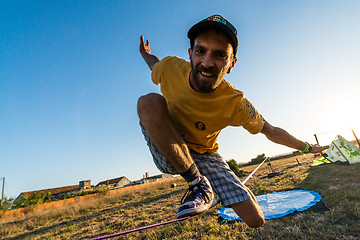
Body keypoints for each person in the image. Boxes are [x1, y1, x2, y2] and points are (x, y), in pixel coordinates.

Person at [137, 15, 328, 228]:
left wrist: (308, 147)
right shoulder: (171, 67)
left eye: (219, 55)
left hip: (205, 153)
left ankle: (209, 187)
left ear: (231, 63)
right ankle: (198, 185)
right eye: (201, 51)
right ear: (190, 54)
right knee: (148, 102)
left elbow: (271, 131)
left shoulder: (236, 103)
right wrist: (145, 53)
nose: (207, 63)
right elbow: (155, 64)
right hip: (170, 145)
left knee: (256, 220)